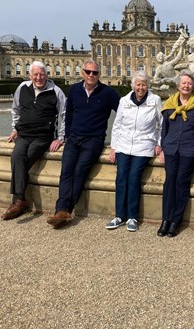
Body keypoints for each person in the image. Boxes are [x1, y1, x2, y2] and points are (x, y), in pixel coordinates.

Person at [47, 60, 120, 229]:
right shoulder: (74, 90)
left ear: (99, 74)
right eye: (88, 72)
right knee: (66, 172)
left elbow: (123, 112)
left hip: (94, 140)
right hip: (74, 138)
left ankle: (66, 210)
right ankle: (61, 210)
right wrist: (66, 135)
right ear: (82, 73)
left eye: (95, 72)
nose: (91, 75)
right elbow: (69, 113)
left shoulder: (108, 92)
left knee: (80, 171)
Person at [1, 61, 66, 220]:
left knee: (25, 159)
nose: (39, 78)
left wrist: (60, 138)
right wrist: (15, 128)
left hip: (43, 136)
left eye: (42, 74)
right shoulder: (22, 87)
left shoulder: (55, 91)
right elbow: (15, 109)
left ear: (47, 75)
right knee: (17, 156)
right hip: (23, 134)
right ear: (30, 75)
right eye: (35, 74)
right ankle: (20, 200)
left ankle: (18, 201)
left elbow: (65, 115)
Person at [106, 71, 162, 232]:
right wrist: (113, 147)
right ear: (133, 86)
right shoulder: (124, 101)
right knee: (121, 177)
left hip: (144, 145)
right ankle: (119, 215)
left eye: (144, 84)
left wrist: (159, 143)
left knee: (134, 177)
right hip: (124, 144)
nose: (141, 87)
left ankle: (132, 216)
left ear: (147, 86)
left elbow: (162, 124)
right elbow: (117, 125)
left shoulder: (155, 100)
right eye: (138, 84)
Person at [157, 71, 194, 237]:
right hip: (171, 149)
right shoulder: (170, 105)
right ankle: (166, 219)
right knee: (169, 182)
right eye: (183, 83)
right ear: (178, 86)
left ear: (193, 87)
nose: (186, 86)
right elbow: (164, 130)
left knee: (181, 183)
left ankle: (175, 221)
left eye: (189, 83)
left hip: (189, 150)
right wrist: (162, 148)